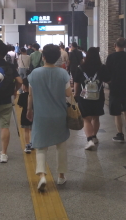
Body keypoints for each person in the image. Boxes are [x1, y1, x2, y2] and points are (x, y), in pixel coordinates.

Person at [27, 44, 72, 191]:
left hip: (41, 115)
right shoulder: (63, 73)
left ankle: (42, 176)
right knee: (61, 145)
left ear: (43, 57)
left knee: (40, 146)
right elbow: (68, 94)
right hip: (59, 114)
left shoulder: (34, 73)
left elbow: (30, 94)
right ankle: (61, 176)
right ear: (58, 57)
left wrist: (29, 109)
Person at [73, 47, 109, 150]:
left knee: (86, 119)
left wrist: (76, 95)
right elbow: (108, 80)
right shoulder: (102, 67)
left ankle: (89, 140)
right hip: (98, 96)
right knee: (95, 117)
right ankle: (94, 136)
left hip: (84, 97)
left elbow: (76, 83)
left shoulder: (80, 68)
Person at [106, 37, 126, 142]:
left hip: (115, 88)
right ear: (125, 46)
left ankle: (120, 134)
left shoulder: (110, 57)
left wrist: (110, 81)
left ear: (115, 45)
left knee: (117, 113)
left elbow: (107, 73)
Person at [18, 78, 33, 153]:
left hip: (24, 115)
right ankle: (32, 143)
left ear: (24, 86)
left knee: (26, 131)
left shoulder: (22, 95)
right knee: (32, 130)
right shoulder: (34, 95)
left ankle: (27, 146)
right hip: (33, 115)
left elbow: (20, 105)